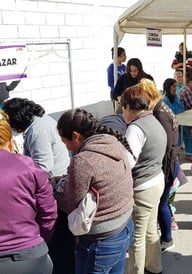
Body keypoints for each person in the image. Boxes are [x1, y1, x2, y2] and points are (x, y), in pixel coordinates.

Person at [55, 109, 134, 274]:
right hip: (124, 228)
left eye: (65, 142)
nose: (66, 147)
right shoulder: (113, 142)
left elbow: (70, 204)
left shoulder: (83, 160)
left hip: (100, 242)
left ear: (76, 136)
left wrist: (52, 190)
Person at [2, 97, 74, 274]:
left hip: (53, 187)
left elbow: (43, 166)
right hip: (51, 188)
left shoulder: (37, 131)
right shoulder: (40, 122)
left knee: (61, 247)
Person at [125, 79, 179, 253]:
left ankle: (167, 238)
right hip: (165, 165)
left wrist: (165, 172)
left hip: (165, 166)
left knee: (163, 205)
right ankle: (163, 240)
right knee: (161, 205)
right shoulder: (160, 108)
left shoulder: (158, 113)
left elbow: (165, 145)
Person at [0, 110, 57, 274]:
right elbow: (48, 213)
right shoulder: (28, 166)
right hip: (31, 255)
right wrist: (39, 241)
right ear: (11, 142)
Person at [121, 89, 167, 274]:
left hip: (142, 187)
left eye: (122, 107)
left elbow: (128, 162)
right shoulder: (154, 120)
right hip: (156, 181)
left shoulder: (136, 127)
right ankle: (155, 268)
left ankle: (137, 271)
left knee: (136, 238)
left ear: (129, 107)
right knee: (150, 230)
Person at [163, 78, 192, 160]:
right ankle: (174, 153)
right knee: (178, 135)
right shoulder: (164, 100)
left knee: (187, 132)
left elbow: (182, 108)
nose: (175, 88)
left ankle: (189, 154)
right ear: (168, 87)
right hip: (171, 123)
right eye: (173, 86)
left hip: (181, 121)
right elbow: (171, 112)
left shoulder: (176, 97)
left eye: (176, 86)